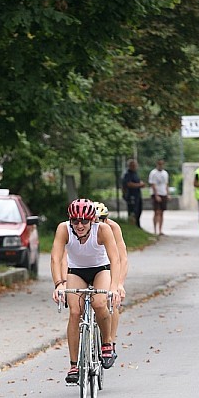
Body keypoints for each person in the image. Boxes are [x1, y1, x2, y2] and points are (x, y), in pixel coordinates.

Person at [51, 199, 121, 385]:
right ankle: (74, 365)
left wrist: (114, 287)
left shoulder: (103, 230)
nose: (80, 225)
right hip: (76, 271)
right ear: (70, 221)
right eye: (75, 221)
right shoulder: (64, 229)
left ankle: (106, 342)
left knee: (99, 303)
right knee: (75, 312)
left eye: (84, 221)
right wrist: (59, 284)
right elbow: (56, 258)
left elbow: (115, 259)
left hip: (101, 269)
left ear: (92, 220)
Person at [94, 202, 128, 357]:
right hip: (89, 265)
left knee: (111, 300)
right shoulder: (84, 229)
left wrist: (119, 284)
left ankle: (111, 341)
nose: (97, 223)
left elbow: (122, 258)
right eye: (94, 220)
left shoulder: (113, 228)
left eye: (101, 219)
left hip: (108, 265)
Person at [148, 159, 170, 236]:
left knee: (161, 212)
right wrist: (156, 195)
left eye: (162, 164)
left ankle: (160, 230)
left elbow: (166, 184)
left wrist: (168, 194)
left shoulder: (165, 173)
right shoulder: (153, 173)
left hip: (163, 193)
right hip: (156, 194)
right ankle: (155, 230)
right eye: (159, 164)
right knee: (156, 212)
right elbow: (153, 184)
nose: (161, 165)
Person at [122, 159, 145, 227]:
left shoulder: (135, 174)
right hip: (131, 196)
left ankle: (137, 225)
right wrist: (139, 185)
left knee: (138, 211)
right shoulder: (127, 174)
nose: (135, 167)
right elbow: (128, 184)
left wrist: (141, 183)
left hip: (137, 195)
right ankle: (132, 225)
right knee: (133, 212)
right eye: (134, 165)